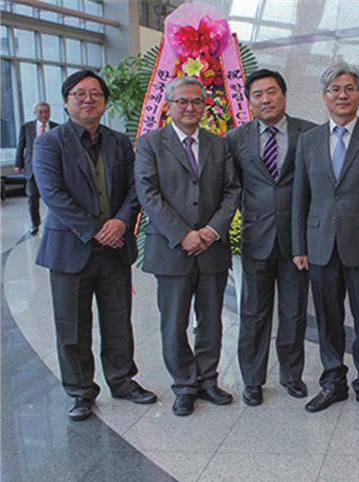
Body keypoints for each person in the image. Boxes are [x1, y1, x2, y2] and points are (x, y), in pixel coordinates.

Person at [33, 70, 157, 421]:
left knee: (119, 320)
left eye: (95, 94)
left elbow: (136, 189)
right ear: (66, 100)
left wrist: (120, 222)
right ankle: (80, 391)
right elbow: (53, 194)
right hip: (70, 249)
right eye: (79, 94)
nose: (88, 99)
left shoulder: (119, 142)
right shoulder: (49, 143)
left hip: (115, 246)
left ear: (105, 101)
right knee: (71, 325)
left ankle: (122, 380)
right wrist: (95, 229)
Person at [292, 62, 359, 417]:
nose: (342, 95)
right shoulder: (308, 140)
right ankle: (333, 382)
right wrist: (299, 246)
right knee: (327, 318)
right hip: (319, 246)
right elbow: (300, 198)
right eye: (335, 89)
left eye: (349, 88)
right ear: (324, 96)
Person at [135, 76, 240, 417]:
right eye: (182, 101)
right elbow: (148, 194)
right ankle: (184, 384)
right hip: (170, 249)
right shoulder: (150, 144)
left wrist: (210, 231)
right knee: (174, 322)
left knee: (211, 320)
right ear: (169, 105)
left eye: (197, 101)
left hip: (211, 248)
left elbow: (232, 191)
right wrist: (183, 234)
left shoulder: (219, 145)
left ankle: (208, 380)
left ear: (205, 105)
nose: (190, 107)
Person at [227, 69, 316, 406]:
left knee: (294, 312)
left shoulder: (309, 133)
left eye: (272, 92)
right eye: (258, 94)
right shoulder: (236, 139)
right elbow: (229, 190)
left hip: (297, 240)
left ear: (284, 94)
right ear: (249, 101)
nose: (266, 99)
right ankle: (252, 379)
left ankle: (292, 375)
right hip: (255, 237)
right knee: (253, 312)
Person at [16, 101, 58, 235]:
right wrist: (19, 163)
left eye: (46, 111)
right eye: (41, 112)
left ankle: (57, 223)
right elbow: (21, 146)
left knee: (55, 197)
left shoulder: (57, 128)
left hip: (52, 169)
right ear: (35, 113)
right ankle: (35, 224)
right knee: (32, 197)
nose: (44, 114)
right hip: (32, 168)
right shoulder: (27, 127)